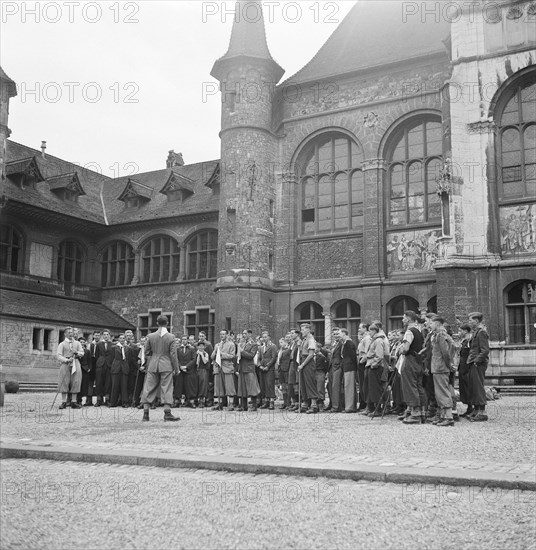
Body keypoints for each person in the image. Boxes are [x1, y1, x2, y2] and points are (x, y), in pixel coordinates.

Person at [140, 315, 180, 421]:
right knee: (166, 387)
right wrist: (176, 368)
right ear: (167, 323)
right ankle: (167, 413)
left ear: (157, 323)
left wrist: (153, 358)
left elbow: (147, 351)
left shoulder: (151, 336)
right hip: (166, 364)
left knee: (148, 387)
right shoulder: (171, 337)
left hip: (153, 364)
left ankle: (145, 414)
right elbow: (173, 355)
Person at [400, 310, 426, 424]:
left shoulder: (409, 332)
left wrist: (401, 349)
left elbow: (406, 348)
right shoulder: (419, 331)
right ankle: (421, 412)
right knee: (418, 386)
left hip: (410, 360)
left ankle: (415, 414)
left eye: (404, 317)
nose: (402, 320)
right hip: (418, 361)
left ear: (409, 319)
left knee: (410, 386)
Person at [429, 316, 455, 426]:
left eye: (431, 323)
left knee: (443, 392)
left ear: (437, 324)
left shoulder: (441, 335)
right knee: (439, 393)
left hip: (441, 367)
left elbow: (446, 353)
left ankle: (448, 417)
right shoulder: (437, 335)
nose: (430, 325)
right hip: (438, 367)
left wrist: (448, 365)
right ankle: (443, 415)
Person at [467, 312, 490, 422]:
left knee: (479, 387)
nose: (469, 322)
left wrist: (477, 361)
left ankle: (482, 413)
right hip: (473, 362)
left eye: (471, 320)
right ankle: (476, 410)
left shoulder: (481, 332)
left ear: (476, 321)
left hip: (478, 363)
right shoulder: (476, 332)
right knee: (474, 387)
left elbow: (485, 350)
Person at [56, 326, 84, 409]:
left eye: (71, 332)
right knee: (64, 381)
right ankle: (64, 402)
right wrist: (66, 360)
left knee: (76, 380)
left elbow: (82, 353)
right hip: (66, 364)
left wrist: (77, 352)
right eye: (68, 332)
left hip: (75, 363)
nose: (70, 334)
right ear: (65, 334)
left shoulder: (77, 343)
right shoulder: (62, 344)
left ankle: (74, 402)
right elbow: (58, 355)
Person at [365, 323, 388, 417]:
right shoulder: (376, 340)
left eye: (370, 330)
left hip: (376, 367)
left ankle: (378, 409)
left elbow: (379, 356)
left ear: (374, 331)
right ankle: (375, 408)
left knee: (375, 388)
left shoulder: (378, 341)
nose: (369, 333)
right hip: (373, 366)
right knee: (372, 388)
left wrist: (373, 365)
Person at [297, 323, 320, 414]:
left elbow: (311, 354)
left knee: (309, 382)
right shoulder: (304, 340)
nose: (301, 332)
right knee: (303, 383)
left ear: (308, 330)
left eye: (303, 330)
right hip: (303, 360)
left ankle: (314, 405)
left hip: (308, 362)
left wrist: (302, 365)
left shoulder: (311, 339)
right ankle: (305, 403)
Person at [211, 330, 237, 411]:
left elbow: (232, 356)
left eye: (223, 334)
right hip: (218, 367)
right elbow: (212, 357)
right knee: (218, 386)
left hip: (227, 367)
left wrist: (222, 354)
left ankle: (231, 404)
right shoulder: (217, 345)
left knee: (229, 386)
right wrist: (215, 353)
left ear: (227, 335)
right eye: (220, 334)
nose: (221, 336)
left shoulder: (231, 344)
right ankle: (219, 403)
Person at [237, 329, 260, 411]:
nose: (244, 335)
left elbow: (251, 356)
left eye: (245, 333)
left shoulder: (254, 344)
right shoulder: (241, 344)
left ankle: (254, 405)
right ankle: (243, 406)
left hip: (249, 368)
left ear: (250, 334)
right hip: (242, 367)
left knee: (252, 387)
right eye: (243, 333)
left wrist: (242, 351)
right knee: (242, 387)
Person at [340, 328, 358, 413]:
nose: (339, 335)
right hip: (347, 366)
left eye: (340, 333)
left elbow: (352, 356)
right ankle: (350, 406)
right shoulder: (345, 343)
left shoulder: (349, 343)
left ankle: (350, 406)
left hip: (350, 366)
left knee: (349, 386)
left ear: (344, 334)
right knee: (347, 386)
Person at [258, 331, 278, 410]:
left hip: (269, 368)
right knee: (263, 384)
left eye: (266, 337)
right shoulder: (261, 347)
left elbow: (274, 358)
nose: (264, 339)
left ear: (269, 337)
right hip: (262, 368)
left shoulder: (273, 346)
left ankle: (271, 401)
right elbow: (259, 358)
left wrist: (267, 366)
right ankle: (266, 401)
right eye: (263, 337)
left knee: (270, 384)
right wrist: (260, 365)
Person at [94, 329, 114, 407]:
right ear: (102, 336)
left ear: (109, 336)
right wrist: (99, 362)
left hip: (109, 365)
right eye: (104, 334)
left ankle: (107, 399)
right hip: (100, 365)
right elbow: (96, 355)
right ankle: (99, 400)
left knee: (108, 382)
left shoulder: (112, 344)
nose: (106, 336)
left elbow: (113, 355)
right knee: (99, 382)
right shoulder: (99, 344)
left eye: (107, 334)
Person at [177, 335, 197, 408]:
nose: (184, 341)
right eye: (182, 339)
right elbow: (176, 359)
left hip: (189, 370)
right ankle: (178, 401)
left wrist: (186, 366)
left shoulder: (192, 349)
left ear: (187, 340)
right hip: (180, 370)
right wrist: (180, 366)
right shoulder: (178, 349)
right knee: (179, 385)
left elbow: (194, 359)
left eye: (185, 339)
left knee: (190, 386)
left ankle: (191, 401)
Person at [457, 324, 473, 417]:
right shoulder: (464, 341)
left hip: (466, 367)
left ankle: (471, 407)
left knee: (468, 387)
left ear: (465, 331)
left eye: (461, 331)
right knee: (463, 388)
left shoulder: (469, 341)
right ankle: (469, 407)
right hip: (462, 367)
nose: (459, 332)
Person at [110, 333, 129, 408]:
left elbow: (129, 359)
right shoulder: (114, 348)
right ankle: (113, 402)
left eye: (123, 338)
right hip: (116, 367)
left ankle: (124, 402)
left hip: (124, 368)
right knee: (115, 385)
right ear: (118, 339)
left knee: (124, 386)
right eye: (121, 338)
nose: (122, 340)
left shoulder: (127, 348)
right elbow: (111, 358)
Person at [328, 327, 344, 413]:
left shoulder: (342, 343)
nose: (336, 336)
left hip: (337, 367)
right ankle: (332, 404)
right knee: (330, 386)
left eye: (337, 334)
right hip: (331, 367)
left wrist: (340, 366)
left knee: (336, 387)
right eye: (334, 334)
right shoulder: (333, 344)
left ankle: (336, 406)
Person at [356, 323, 371, 412]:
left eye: (360, 328)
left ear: (365, 328)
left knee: (364, 384)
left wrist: (361, 362)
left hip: (364, 363)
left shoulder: (367, 338)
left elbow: (367, 353)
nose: (358, 330)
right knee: (362, 384)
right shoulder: (364, 338)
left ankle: (366, 404)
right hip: (361, 361)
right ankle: (364, 403)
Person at [276, 337, 291, 409]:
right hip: (280, 369)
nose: (280, 344)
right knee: (283, 386)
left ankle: (288, 403)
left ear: (286, 342)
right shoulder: (280, 350)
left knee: (287, 386)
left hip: (286, 369)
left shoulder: (288, 350)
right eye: (279, 343)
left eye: (281, 342)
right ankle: (285, 402)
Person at [76, 337, 92, 406]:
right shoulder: (76, 351)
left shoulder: (87, 351)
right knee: (77, 384)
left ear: (85, 343)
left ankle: (82, 400)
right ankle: (77, 400)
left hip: (85, 369)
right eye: (80, 342)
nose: (82, 343)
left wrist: (89, 368)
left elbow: (90, 361)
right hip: (78, 368)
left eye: (83, 342)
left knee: (84, 385)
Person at [195, 341, 210, 407]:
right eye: (199, 346)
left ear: (204, 347)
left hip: (203, 370)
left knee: (203, 384)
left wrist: (201, 354)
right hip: (196, 370)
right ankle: (197, 400)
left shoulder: (205, 354)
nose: (201, 347)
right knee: (196, 384)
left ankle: (202, 400)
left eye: (202, 346)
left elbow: (205, 362)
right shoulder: (195, 353)